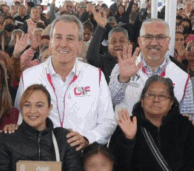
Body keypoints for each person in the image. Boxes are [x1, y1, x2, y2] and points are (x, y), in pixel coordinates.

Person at [15, 15, 117, 147]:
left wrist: (87, 138)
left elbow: (108, 121)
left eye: (70, 38)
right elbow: (20, 119)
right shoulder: (29, 76)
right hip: (41, 155)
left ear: (80, 45)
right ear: (50, 42)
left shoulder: (95, 76)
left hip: (83, 156)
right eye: (58, 37)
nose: (63, 44)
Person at [110, 18, 194, 123]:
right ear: (139, 41)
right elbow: (112, 100)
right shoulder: (121, 67)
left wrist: (190, 122)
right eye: (148, 37)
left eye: (160, 37)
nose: (154, 42)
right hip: (126, 132)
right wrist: (123, 79)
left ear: (168, 42)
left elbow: (190, 115)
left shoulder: (182, 77)